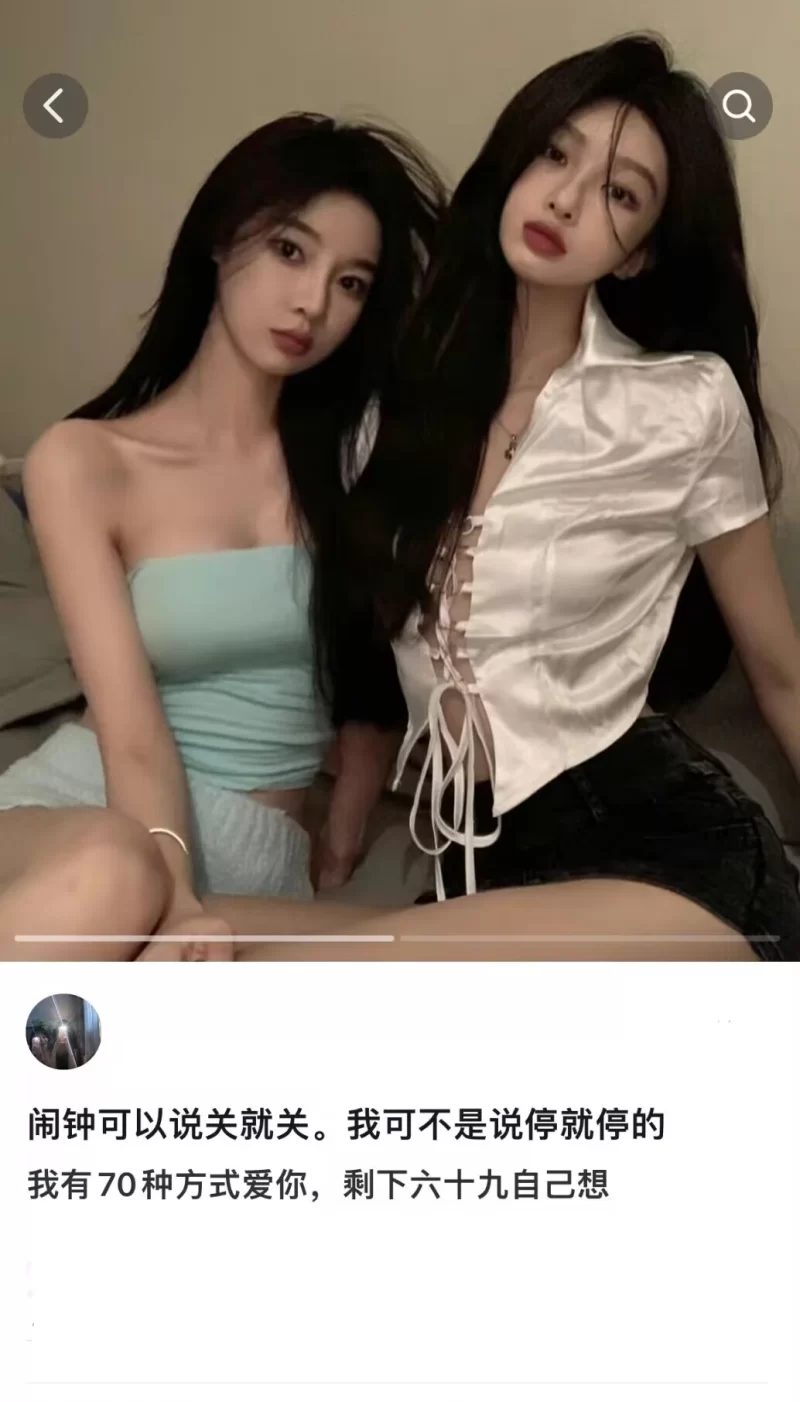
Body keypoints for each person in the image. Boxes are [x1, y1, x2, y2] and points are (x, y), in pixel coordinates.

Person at [205, 33, 800, 960]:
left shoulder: (683, 404)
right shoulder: (388, 413)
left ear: (639, 254)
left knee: (300, 981)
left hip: (669, 859)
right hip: (485, 874)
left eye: (620, 193)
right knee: (180, 938)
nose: (565, 197)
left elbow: (780, 672)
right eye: (555, 154)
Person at [0, 113, 444, 960]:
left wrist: (347, 818)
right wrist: (170, 896)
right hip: (86, 829)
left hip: (247, 876)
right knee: (113, 874)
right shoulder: (85, 461)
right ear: (220, 237)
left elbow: (374, 668)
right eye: (289, 250)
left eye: (351, 283)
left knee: (474, 948)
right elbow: (132, 736)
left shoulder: (352, 468)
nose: (313, 302)